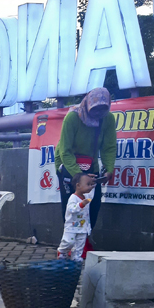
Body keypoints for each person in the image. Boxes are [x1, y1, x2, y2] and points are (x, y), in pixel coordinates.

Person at [54, 87, 116, 232]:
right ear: (87, 104)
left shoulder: (108, 119)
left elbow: (109, 147)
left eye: (103, 109)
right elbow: (65, 151)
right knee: (72, 204)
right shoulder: (72, 118)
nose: (98, 113)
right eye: (95, 109)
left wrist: (108, 169)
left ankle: (86, 236)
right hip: (68, 163)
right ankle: (69, 240)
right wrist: (79, 175)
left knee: (93, 204)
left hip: (90, 164)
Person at [57, 172, 95, 262]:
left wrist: (94, 182)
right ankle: (62, 251)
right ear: (78, 185)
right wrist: (81, 205)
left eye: (91, 185)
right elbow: (71, 209)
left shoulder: (87, 196)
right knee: (69, 242)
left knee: (79, 245)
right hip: (72, 227)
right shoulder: (73, 198)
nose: (90, 187)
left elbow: (92, 193)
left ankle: (76, 258)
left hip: (83, 227)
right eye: (88, 184)